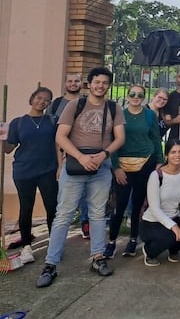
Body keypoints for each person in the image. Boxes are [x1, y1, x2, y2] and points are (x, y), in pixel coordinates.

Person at [37, 67, 125, 288]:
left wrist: (104, 154)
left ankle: (97, 257)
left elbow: (120, 138)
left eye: (105, 83)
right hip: (75, 164)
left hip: (101, 167)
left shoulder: (114, 108)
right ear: (90, 84)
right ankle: (51, 264)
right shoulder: (75, 106)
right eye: (96, 82)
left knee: (97, 215)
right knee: (63, 215)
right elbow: (60, 136)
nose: (100, 86)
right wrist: (79, 156)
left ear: (109, 86)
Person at [0, 87, 59, 265]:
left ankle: (54, 243)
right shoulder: (18, 123)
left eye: (47, 100)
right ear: (31, 99)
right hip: (24, 171)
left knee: (52, 208)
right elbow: (8, 149)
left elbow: (58, 144)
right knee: (26, 208)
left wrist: (59, 166)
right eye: (39, 98)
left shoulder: (52, 121)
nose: (42, 102)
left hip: (48, 170)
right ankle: (26, 246)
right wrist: (2, 135)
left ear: (49, 104)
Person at [104, 84, 163, 259]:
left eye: (140, 95)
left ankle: (132, 240)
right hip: (123, 164)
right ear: (127, 96)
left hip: (145, 162)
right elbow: (112, 142)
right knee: (119, 206)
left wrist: (159, 160)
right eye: (132, 94)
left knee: (138, 205)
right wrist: (116, 167)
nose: (136, 97)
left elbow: (155, 138)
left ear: (144, 97)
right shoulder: (119, 114)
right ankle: (112, 242)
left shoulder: (150, 115)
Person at [139, 139, 180, 266]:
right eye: (173, 152)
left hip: (173, 216)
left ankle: (173, 250)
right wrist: (174, 227)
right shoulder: (156, 176)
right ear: (166, 155)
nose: (177, 155)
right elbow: (154, 208)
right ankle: (149, 251)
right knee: (172, 235)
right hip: (152, 222)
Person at [49, 73, 89, 240]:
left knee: (87, 194)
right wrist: (59, 165)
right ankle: (59, 232)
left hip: (86, 154)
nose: (73, 84)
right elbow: (55, 137)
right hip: (65, 157)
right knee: (64, 198)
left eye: (76, 81)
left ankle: (85, 223)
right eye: (70, 81)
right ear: (65, 83)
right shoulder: (56, 104)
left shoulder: (88, 102)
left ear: (82, 83)